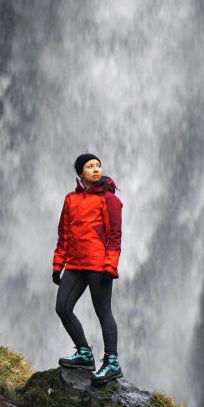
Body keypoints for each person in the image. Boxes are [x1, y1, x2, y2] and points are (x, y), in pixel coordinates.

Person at [52, 153, 123, 385]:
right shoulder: (70, 199)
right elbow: (64, 234)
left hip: (98, 265)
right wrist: (57, 265)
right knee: (62, 307)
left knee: (103, 312)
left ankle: (112, 362)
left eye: (98, 166)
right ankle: (84, 353)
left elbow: (114, 237)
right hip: (75, 263)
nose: (95, 170)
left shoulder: (109, 200)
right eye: (90, 166)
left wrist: (110, 266)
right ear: (80, 173)